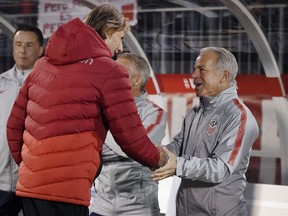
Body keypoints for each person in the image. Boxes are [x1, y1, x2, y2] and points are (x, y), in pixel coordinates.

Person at [6, 4, 168, 216]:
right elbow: (130, 137)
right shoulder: (110, 71)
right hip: (68, 190)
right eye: (120, 38)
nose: (120, 47)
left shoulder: (42, 66)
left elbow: (13, 127)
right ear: (108, 31)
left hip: (31, 188)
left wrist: (33, 169)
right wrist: (159, 159)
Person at [153, 47, 259, 216]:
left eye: (201, 69)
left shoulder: (239, 116)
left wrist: (178, 165)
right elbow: (180, 145)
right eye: (195, 69)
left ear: (223, 76)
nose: (193, 75)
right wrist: (160, 155)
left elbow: (220, 169)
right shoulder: (196, 112)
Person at [89, 53, 167, 216]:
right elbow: (88, 148)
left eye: (117, 72)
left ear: (136, 80)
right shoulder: (98, 109)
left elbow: (137, 148)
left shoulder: (155, 114)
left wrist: (104, 133)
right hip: (101, 206)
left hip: (139, 209)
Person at [0, 24, 44, 216]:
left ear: (41, 49)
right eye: (18, 44)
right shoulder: (1, 82)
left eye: (29, 45)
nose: (22, 50)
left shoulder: (47, 85)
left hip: (32, 183)